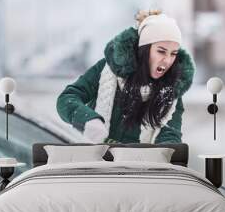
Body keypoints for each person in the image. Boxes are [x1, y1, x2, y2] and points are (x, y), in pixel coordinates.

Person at [56, 10, 195, 144]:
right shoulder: (107, 69)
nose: (168, 60)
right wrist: (88, 120)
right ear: (144, 49)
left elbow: (170, 134)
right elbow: (67, 98)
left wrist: (169, 152)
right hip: (92, 162)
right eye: (161, 51)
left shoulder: (172, 89)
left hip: (136, 166)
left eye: (173, 54)